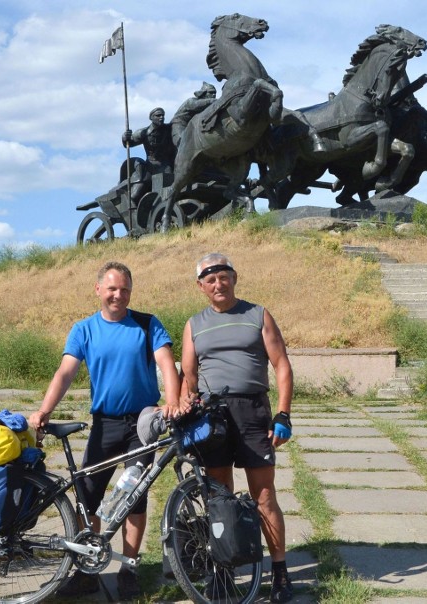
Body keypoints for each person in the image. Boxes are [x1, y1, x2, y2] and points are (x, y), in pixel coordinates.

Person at [28, 261, 181, 599]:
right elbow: (65, 373)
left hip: (142, 424)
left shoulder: (146, 324)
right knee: (87, 498)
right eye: (111, 288)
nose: (118, 294)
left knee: (134, 500)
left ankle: (129, 567)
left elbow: (167, 364)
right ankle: (86, 570)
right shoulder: (84, 329)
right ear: (98, 290)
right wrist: (44, 410)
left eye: (124, 289)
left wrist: (171, 401)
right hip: (105, 425)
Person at [179, 252, 295, 603]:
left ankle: (279, 573)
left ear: (234, 278)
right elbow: (189, 377)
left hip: (252, 412)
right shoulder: (193, 324)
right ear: (201, 286)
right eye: (210, 279)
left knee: (264, 495)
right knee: (220, 499)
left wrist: (283, 414)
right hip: (213, 417)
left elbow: (282, 366)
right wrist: (187, 407)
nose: (218, 284)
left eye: (224, 276)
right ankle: (224, 572)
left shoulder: (258, 314)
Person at [121, 107, 176, 203]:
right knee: (136, 193)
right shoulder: (144, 132)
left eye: (163, 115)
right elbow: (129, 143)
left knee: (169, 189)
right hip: (150, 166)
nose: (161, 117)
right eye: (158, 115)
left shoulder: (169, 129)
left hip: (166, 165)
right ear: (151, 118)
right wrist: (125, 137)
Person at [170, 82, 217, 148]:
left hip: (193, 125)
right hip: (179, 124)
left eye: (215, 93)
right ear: (203, 93)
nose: (214, 95)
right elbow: (196, 105)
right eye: (211, 92)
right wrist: (212, 101)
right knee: (182, 141)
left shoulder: (207, 105)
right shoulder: (191, 101)